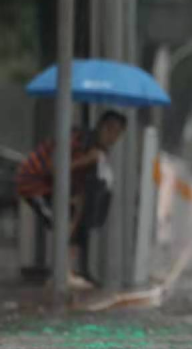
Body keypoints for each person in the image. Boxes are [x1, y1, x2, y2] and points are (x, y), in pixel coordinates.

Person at [15, 110, 128, 290]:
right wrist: (87, 160)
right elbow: (56, 169)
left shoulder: (98, 150)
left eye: (117, 134)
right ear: (101, 127)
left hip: (53, 187)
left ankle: (66, 271)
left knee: (76, 221)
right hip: (34, 183)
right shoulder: (78, 140)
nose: (112, 137)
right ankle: (59, 275)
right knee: (61, 223)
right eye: (110, 130)